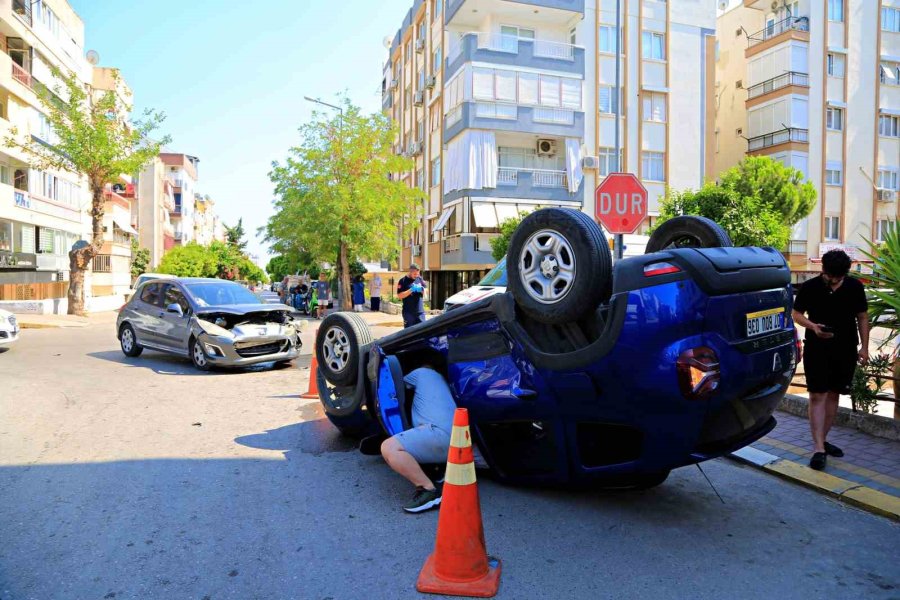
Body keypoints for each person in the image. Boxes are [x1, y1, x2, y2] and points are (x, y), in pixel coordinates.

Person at [792, 249, 869, 471]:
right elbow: (796, 314)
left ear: (846, 272)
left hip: (845, 348)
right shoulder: (810, 287)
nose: (834, 280)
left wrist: (864, 347)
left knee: (834, 394)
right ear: (823, 269)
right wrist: (813, 327)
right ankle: (818, 448)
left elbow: (862, 317)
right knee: (817, 395)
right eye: (830, 276)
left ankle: (822, 441)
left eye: (838, 277)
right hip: (817, 348)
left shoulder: (855, 287)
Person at [380, 366, 456, 513]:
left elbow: (393, 385)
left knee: (389, 448)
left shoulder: (421, 372)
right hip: (457, 439)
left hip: (438, 434)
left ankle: (429, 490)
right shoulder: (442, 382)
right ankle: (438, 470)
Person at [397, 263, 427, 328]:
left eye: (418, 273)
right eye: (415, 274)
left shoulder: (420, 279)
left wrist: (421, 289)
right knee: (409, 333)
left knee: (423, 331)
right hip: (408, 313)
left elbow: (426, 290)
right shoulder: (402, 281)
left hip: (420, 312)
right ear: (410, 272)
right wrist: (411, 290)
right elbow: (399, 295)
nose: (416, 275)